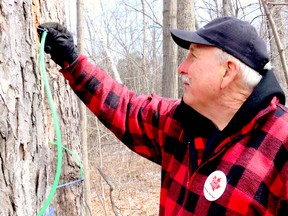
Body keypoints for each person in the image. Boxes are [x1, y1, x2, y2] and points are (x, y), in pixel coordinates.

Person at [38, 16, 288, 215]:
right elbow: (124, 108)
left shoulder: (281, 145)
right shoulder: (181, 122)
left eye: (193, 55)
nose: (182, 67)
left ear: (227, 72)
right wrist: (71, 59)